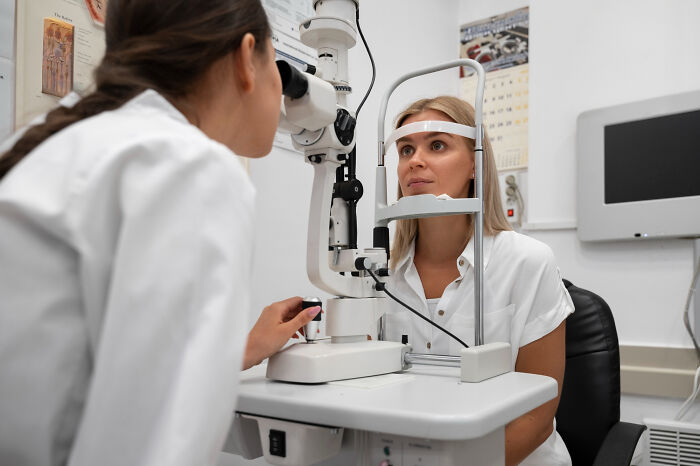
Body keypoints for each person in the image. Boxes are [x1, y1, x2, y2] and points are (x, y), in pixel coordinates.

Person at [0, 1, 320, 465]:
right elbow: (153, 451)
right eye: (278, 64)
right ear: (246, 58)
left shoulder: (59, 143)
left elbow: (84, 371)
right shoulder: (189, 167)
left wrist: (242, 350)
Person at [384, 96, 575, 466]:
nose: (415, 161)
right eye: (406, 149)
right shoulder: (381, 275)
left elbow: (536, 418)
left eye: (436, 145)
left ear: (475, 164)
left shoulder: (527, 262)